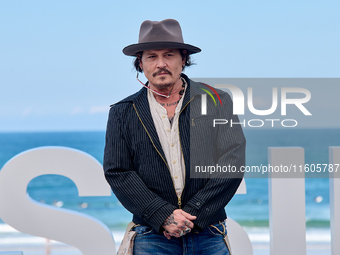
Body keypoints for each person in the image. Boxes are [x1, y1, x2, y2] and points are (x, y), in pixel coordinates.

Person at [103, 19, 246, 255]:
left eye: (168, 55)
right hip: (151, 236)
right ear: (140, 62)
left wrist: (194, 214)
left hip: (208, 232)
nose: (161, 64)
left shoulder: (217, 101)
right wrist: (163, 215)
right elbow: (118, 172)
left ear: (184, 59)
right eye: (151, 57)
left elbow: (233, 162)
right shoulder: (122, 112)